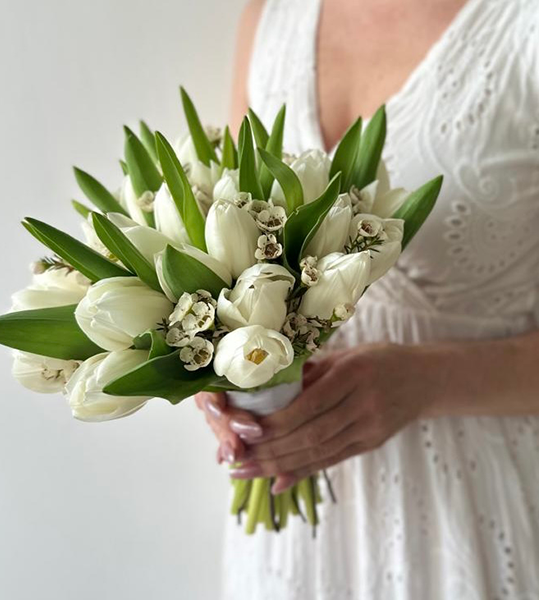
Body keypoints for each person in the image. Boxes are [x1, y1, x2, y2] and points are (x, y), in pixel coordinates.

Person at [195, 0, 539, 598]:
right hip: (291, 538)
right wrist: (214, 365)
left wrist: (431, 381)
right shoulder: (272, 14)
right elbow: (229, 246)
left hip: (474, 504)